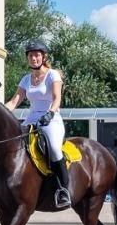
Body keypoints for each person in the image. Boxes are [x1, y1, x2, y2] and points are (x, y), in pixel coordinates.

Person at [5, 39, 71, 207]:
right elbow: (13, 102)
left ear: (44, 57)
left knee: (54, 149)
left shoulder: (52, 75)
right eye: (30, 56)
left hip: (51, 119)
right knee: (13, 144)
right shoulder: (26, 79)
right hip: (31, 119)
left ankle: (64, 190)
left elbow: (57, 98)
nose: (33, 58)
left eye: (36, 55)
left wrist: (50, 113)